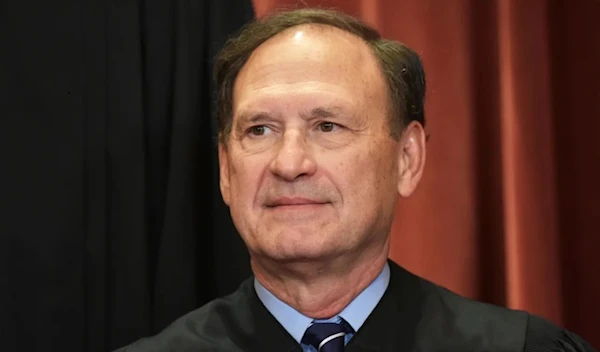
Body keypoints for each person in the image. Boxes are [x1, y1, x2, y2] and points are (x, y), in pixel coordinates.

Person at [116, 8, 595, 352]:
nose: (290, 162)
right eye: (259, 129)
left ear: (407, 158)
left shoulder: (521, 349)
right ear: (225, 169)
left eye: (328, 126)